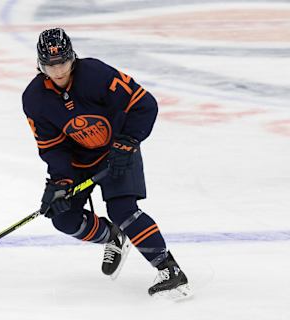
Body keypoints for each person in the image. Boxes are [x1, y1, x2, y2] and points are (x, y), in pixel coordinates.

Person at [22, 28, 189, 298]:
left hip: (116, 151)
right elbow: (52, 146)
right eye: (50, 65)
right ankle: (112, 237)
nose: (58, 71)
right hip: (79, 162)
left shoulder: (97, 75)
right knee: (63, 218)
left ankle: (169, 269)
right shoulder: (34, 98)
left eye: (62, 62)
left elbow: (144, 104)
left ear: (72, 57)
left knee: (123, 210)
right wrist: (61, 182)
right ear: (40, 64)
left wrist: (128, 142)